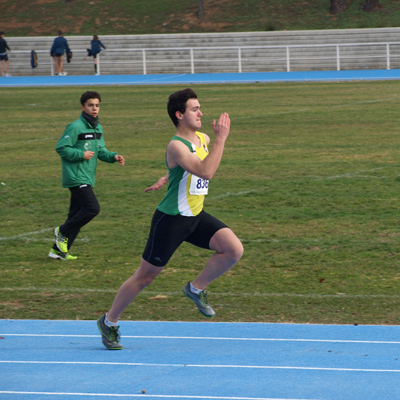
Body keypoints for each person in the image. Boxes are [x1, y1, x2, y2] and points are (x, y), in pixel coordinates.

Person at [97, 88, 244, 350]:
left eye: (200, 107)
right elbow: (206, 171)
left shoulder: (202, 138)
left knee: (233, 249)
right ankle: (109, 322)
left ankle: (196, 289)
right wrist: (222, 139)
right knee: (145, 277)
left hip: (195, 216)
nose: (201, 112)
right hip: (171, 220)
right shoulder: (177, 145)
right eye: (194, 109)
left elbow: (187, 169)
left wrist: (166, 177)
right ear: (179, 114)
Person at [50, 91, 125, 261]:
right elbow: (61, 148)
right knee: (92, 208)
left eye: (97, 105)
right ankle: (61, 231)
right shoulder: (75, 127)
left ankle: (57, 251)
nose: (94, 108)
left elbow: (101, 151)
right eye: (91, 105)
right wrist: (80, 154)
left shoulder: (98, 127)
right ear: (83, 107)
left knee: (75, 214)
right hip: (76, 177)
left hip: (87, 178)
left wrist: (113, 157)